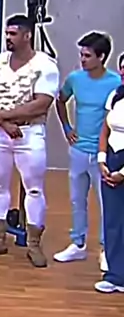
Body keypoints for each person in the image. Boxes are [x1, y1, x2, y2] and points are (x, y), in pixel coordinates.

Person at [0, 14, 60, 267]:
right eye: (7, 33)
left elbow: (41, 103)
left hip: (30, 133)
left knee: (34, 188)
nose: (8, 38)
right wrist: (3, 123)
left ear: (27, 35)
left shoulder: (45, 65)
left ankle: (33, 242)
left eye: (13, 34)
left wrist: (3, 116)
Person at [54, 32, 120, 270]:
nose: (82, 59)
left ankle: (106, 249)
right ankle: (78, 244)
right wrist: (67, 127)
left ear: (101, 57)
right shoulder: (75, 79)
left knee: (106, 204)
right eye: (81, 54)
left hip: (103, 154)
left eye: (87, 55)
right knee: (77, 200)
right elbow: (60, 100)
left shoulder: (115, 83)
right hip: (79, 151)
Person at [95, 52, 124, 294]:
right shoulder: (115, 95)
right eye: (122, 68)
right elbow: (105, 129)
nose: (123, 72)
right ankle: (116, 275)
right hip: (113, 158)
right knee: (113, 221)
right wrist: (102, 159)